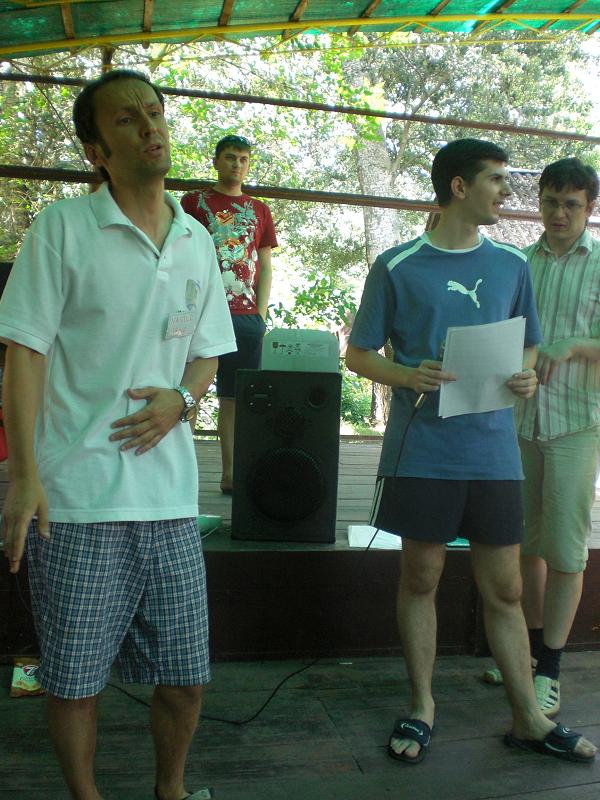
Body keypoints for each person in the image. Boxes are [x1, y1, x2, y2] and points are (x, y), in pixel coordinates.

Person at [0, 69, 236, 800]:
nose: (149, 126)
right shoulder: (63, 228)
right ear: (96, 150)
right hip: (77, 499)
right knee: (73, 682)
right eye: (127, 119)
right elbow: (24, 353)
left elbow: (207, 353)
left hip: (170, 499)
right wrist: (25, 477)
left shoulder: (196, 238)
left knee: (187, 676)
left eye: (154, 111)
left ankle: (171, 790)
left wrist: (181, 400)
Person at [346, 138, 597, 766]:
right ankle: (422, 705)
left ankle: (529, 718)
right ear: (459, 187)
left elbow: (529, 344)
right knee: (421, 577)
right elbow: (359, 354)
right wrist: (408, 376)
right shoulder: (398, 264)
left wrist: (526, 374)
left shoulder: (512, 265)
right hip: (424, 450)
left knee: (505, 589)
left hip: (493, 452)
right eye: (496, 180)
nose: (507, 192)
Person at [483, 158, 600, 717]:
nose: (558, 213)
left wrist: (573, 346)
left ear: (589, 209)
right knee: (524, 543)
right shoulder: (518, 263)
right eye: (550, 202)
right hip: (517, 422)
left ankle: (551, 666)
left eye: (571, 204)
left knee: (566, 549)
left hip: (576, 421)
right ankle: (525, 654)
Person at [181, 135, 277, 494]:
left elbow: (265, 266)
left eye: (243, 159)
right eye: (230, 157)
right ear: (216, 161)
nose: (237, 164)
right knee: (188, 393)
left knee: (235, 399)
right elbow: (180, 254)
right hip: (200, 312)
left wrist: (260, 314)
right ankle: (179, 474)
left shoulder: (259, 209)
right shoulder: (194, 202)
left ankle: (231, 475)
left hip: (245, 317)